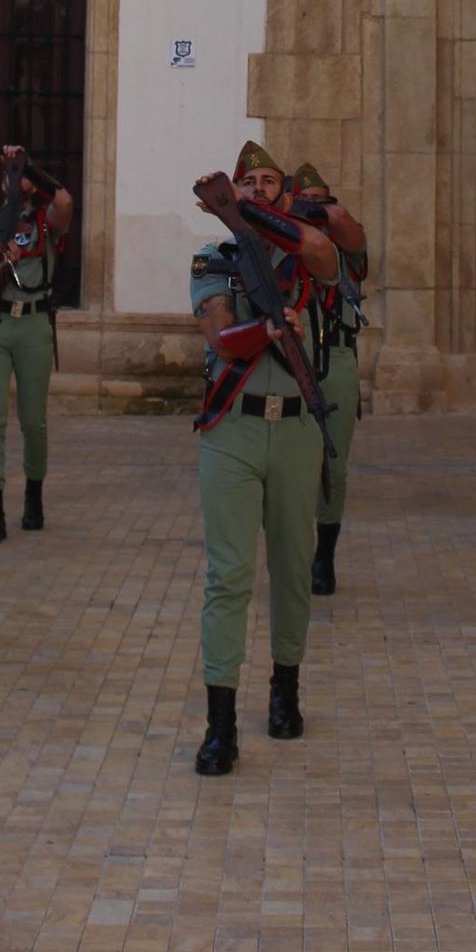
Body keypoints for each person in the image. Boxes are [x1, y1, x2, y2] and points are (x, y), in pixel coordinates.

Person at [188, 143, 341, 776]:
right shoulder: (214, 259)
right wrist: (267, 333)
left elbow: (326, 253)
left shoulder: (306, 261)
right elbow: (220, 337)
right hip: (233, 429)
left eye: (266, 181)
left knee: (290, 568)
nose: (254, 188)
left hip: (298, 430)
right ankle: (220, 723)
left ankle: (285, 689)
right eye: (244, 183)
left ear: (282, 193)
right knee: (229, 575)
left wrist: (256, 217)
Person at [0, 150, 73, 543]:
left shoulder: (45, 221)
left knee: (33, 421)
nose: (13, 182)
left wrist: (31, 168)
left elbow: (65, 202)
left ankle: (33, 495)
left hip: (34, 323)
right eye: (8, 175)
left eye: (17, 176)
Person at [293, 159, 369, 595]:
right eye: (304, 205)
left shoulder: (346, 251)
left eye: (319, 204)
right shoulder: (285, 244)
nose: (313, 213)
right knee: (294, 464)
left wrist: (319, 212)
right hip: (294, 355)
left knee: (334, 465)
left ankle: (325, 555)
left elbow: (347, 226)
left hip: (337, 354)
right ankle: (295, 550)